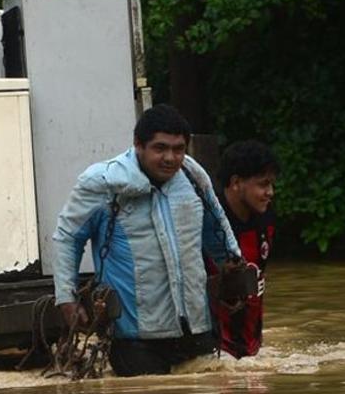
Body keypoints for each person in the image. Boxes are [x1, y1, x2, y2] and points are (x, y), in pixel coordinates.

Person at [51, 104, 243, 376]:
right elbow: (67, 238)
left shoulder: (192, 175)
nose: (170, 158)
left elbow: (216, 227)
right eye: (160, 148)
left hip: (197, 326)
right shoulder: (103, 182)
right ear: (138, 145)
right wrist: (66, 297)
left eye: (178, 149)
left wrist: (232, 266)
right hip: (134, 338)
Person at [212, 140, 278, 358]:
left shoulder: (266, 215)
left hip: (252, 347)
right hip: (216, 349)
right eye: (263, 184)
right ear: (236, 182)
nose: (270, 192)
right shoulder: (208, 221)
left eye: (272, 184)